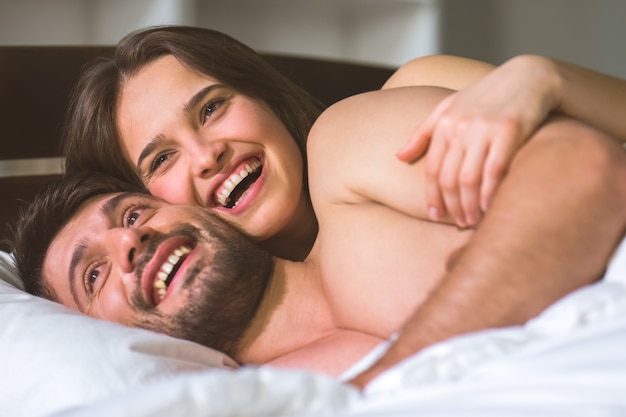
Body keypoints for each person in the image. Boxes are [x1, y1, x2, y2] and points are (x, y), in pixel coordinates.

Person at [13, 85, 626, 388]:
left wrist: (385, 379)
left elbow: (583, 166)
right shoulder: (245, 401)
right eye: (93, 275)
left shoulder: (348, 171)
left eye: (131, 215)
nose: (131, 244)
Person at [61, 25, 626, 260]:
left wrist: (543, 78)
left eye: (212, 108)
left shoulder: (417, 89)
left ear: (267, 99)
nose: (208, 156)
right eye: (162, 158)